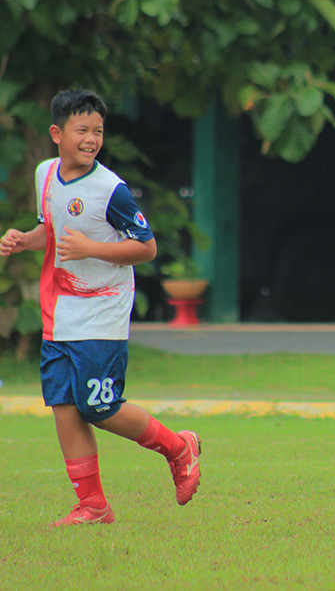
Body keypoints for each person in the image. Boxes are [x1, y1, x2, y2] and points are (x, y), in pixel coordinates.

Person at [0, 89, 202, 526]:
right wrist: (24, 240)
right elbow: (50, 231)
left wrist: (92, 247)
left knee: (99, 407)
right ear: (57, 133)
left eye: (98, 131)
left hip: (102, 313)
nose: (92, 139)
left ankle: (178, 447)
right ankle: (92, 505)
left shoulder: (111, 190)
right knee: (65, 406)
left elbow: (146, 248)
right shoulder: (46, 175)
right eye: (82, 130)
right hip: (59, 314)